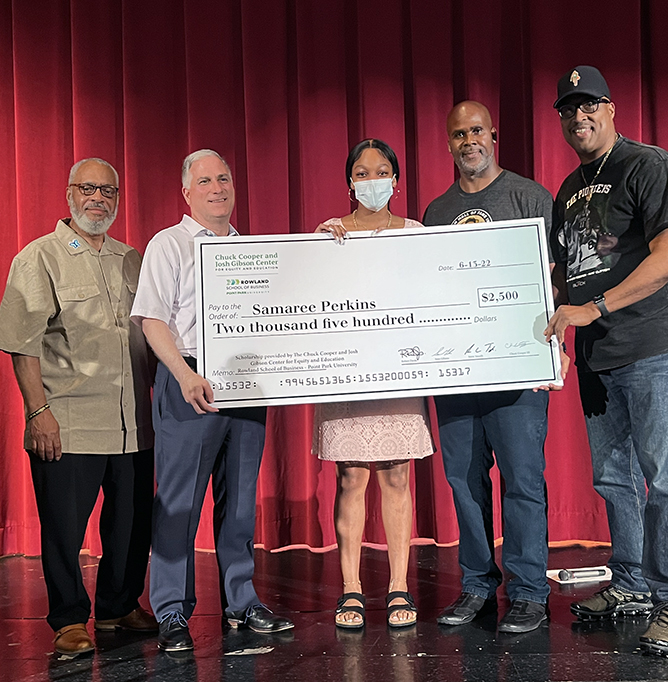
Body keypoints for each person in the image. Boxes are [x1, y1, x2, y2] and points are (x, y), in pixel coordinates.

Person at [545, 65, 668, 657]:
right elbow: (562, 275)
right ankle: (632, 584)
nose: (578, 116)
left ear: (610, 108)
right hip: (597, 356)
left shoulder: (649, 165)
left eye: (588, 105)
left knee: (662, 478)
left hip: (653, 344)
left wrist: (598, 306)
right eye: (568, 109)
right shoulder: (568, 190)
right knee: (613, 478)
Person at [0, 158, 157, 657]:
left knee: (130, 524)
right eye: (88, 188)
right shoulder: (39, 258)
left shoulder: (133, 260)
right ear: (68, 193)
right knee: (64, 528)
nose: (98, 199)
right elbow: (22, 342)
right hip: (68, 421)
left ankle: (117, 606)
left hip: (133, 422)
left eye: (109, 190)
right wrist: (38, 412)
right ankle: (67, 618)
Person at [131, 149, 294, 653]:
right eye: (205, 181)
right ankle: (173, 612)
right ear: (187, 193)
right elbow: (152, 319)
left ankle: (241, 601)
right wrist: (182, 375)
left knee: (241, 501)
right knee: (178, 503)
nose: (217, 187)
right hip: (190, 381)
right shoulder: (170, 244)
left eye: (224, 178)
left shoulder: (248, 250)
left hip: (246, 384)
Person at [422, 101, 563, 634]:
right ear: (450, 142)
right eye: (458, 134)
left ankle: (529, 592)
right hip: (457, 372)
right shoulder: (437, 212)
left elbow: (557, 278)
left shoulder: (530, 197)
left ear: (494, 135)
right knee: (463, 480)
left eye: (476, 131)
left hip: (518, 369)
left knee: (523, 480)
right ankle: (478, 586)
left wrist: (551, 347)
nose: (468, 141)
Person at [314, 139, 434, 629]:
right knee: (351, 476)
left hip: (398, 371)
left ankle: (399, 584)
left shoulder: (415, 233)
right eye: (361, 173)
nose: (371, 180)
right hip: (348, 373)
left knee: (397, 474)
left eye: (381, 171)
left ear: (396, 182)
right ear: (349, 183)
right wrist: (312, 252)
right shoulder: (329, 235)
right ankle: (351, 588)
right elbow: (310, 303)